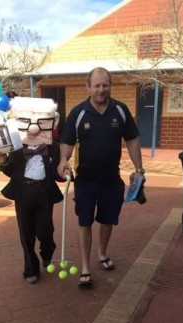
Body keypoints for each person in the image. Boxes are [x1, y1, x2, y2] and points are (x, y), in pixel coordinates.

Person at [58, 67, 145, 287]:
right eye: (96, 85)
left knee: (107, 220)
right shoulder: (78, 113)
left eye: (105, 85)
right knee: (84, 222)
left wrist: (139, 169)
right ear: (88, 87)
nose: (101, 89)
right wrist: (63, 161)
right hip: (85, 181)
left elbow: (132, 140)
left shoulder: (120, 110)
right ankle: (86, 267)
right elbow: (67, 143)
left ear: (110, 86)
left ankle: (102, 253)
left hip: (111, 180)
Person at [0, 97, 64, 284]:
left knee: (46, 231)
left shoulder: (55, 148)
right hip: (23, 192)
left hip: (44, 192)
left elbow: (57, 174)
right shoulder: (17, 147)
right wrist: (4, 161)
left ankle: (47, 251)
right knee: (25, 233)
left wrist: (65, 171)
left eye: (41, 122)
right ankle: (30, 269)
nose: (33, 128)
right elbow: (11, 171)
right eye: (27, 122)